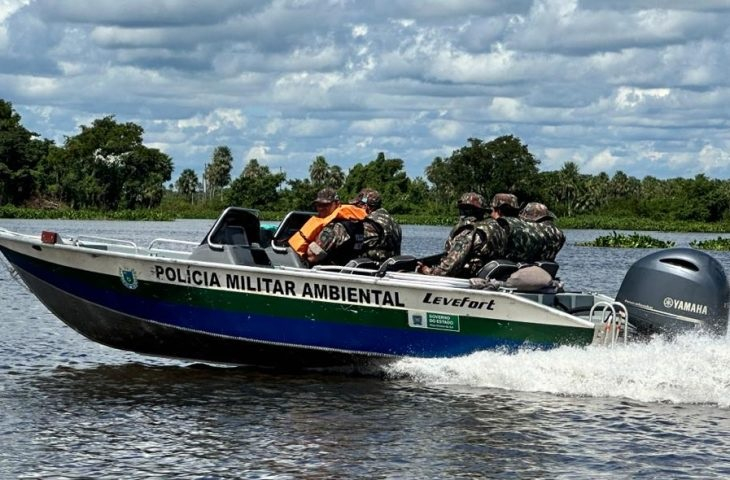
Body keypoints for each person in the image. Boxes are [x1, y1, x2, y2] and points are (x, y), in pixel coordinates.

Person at [417, 192, 506, 278]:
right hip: (489, 277)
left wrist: (426, 270)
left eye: (464, 209)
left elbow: (447, 269)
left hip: (468, 280)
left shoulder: (469, 231)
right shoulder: (495, 228)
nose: (462, 212)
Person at [288, 187, 368, 266]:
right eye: (318, 205)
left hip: (331, 273)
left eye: (325, 205)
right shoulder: (356, 222)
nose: (320, 208)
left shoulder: (335, 228)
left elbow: (312, 256)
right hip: (346, 270)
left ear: (337, 203)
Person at [489, 192, 543, 264]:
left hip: (505, 267)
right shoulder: (529, 225)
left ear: (498, 211)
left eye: (492, 210)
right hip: (527, 265)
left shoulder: (498, 225)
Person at [350, 188, 402, 262]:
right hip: (391, 265)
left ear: (365, 206)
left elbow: (353, 242)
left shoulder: (371, 222)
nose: (354, 208)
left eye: (357, 205)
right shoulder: (391, 220)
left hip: (373, 268)